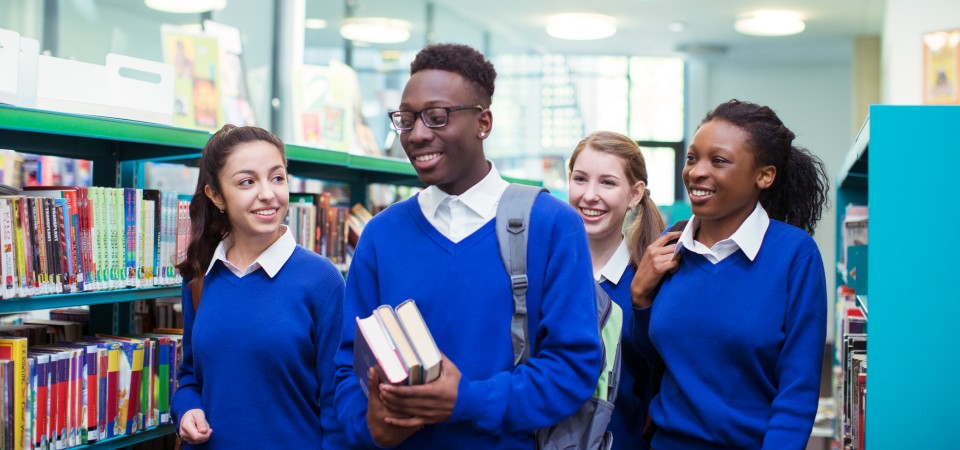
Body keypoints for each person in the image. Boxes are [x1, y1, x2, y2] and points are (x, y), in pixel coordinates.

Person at [334, 43, 603, 449]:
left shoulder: (551, 225)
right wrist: (371, 427)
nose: (419, 134)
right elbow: (347, 366)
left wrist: (466, 401)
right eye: (406, 120)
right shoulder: (380, 234)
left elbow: (574, 365)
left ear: (484, 122)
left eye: (437, 117)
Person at [631, 99, 829, 450]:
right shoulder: (668, 247)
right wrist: (641, 299)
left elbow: (797, 393)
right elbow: (649, 366)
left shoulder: (794, 255)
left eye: (718, 160)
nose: (696, 172)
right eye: (692, 157)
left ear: (764, 175)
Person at [172, 125, 345, 448]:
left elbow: (337, 403)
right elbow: (190, 378)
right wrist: (186, 409)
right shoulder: (200, 277)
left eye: (277, 178)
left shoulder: (323, 281)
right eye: (247, 182)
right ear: (216, 195)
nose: (268, 193)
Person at [566, 131, 664, 450]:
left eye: (607, 183)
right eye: (580, 179)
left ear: (635, 194)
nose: (589, 195)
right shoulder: (545, 274)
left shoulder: (648, 285)